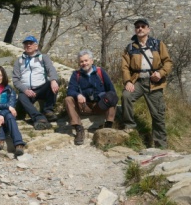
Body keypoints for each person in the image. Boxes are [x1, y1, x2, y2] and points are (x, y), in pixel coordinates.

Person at [122, 18, 173, 148]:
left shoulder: (157, 44)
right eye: (137, 26)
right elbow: (125, 67)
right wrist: (128, 81)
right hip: (137, 81)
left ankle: (160, 144)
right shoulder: (130, 47)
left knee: (157, 114)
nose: (140, 28)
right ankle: (130, 126)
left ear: (148, 29)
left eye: (143, 26)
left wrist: (160, 73)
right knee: (126, 96)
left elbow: (167, 62)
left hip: (154, 82)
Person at [65, 49, 119, 145]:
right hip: (84, 106)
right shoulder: (76, 74)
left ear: (91, 61)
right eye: (81, 61)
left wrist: (104, 99)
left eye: (86, 60)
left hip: (100, 105)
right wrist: (78, 95)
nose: (84, 63)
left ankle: (108, 127)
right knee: (68, 99)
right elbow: (70, 90)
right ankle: (79, 129)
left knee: (112, 97)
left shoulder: (100, 72)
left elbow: (111, 90)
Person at [13, 35, 59, 130]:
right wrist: (25, 90)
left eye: (31, 43)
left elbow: (51, 69)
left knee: (52, 83)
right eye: (26, 44)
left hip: (41, 88)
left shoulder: (43, 57)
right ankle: (39, 118)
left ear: (36, 46)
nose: (28, 45)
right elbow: (15, 80)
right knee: (21, 96)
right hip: (27, 90)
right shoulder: (19, 61)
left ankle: (48, 111)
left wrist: (54, 80)